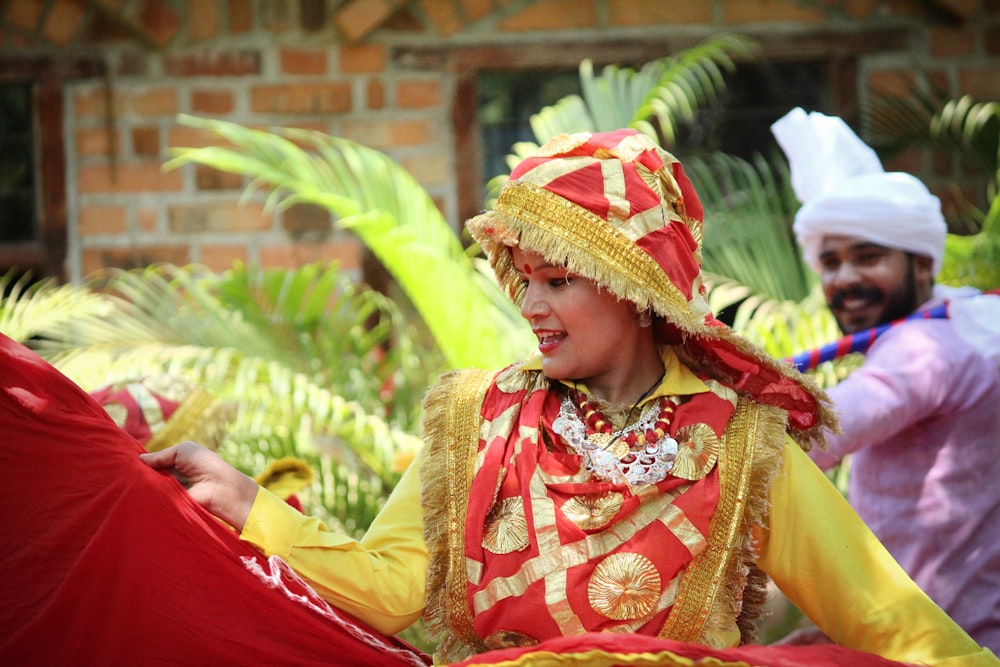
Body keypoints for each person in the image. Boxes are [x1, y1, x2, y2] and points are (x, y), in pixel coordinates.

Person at [1, 129, 996, 667]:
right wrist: (245, 505)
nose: (528, 304)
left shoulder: (743, 446)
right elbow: (393, 586)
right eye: (518, 277)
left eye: (555, 277)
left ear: (637, 286)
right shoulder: (476, 416)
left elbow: (893, 621)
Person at [771, 107, 1000, 650]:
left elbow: (808, 434)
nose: (845, 279)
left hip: (946, 649)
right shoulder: (971, 322)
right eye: (830, 263)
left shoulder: (929, 347)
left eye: (867, 257)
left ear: (922, 264)